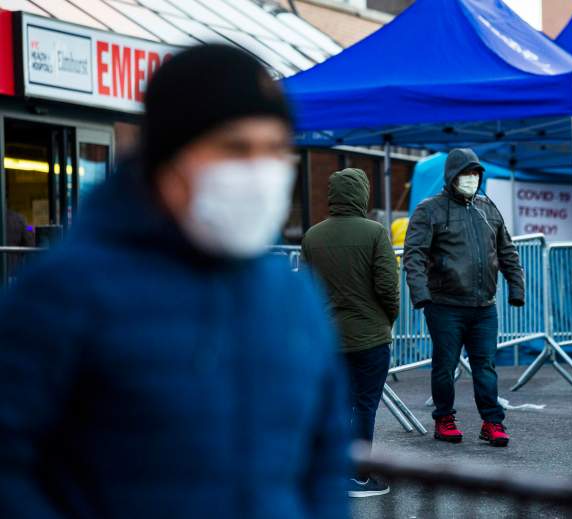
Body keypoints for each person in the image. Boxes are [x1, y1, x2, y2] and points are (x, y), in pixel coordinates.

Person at [0, 45, 349, 519]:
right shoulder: (64, 290)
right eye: (235, 148)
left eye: (275, 149)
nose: (260, 171)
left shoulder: (292, 294)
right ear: (169, 160)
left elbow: (326, 453)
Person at [403, 148, 525, 447]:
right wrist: (421, 295)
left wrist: (516, 287)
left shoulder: (487, 207)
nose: (471, 178)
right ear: (452, 176)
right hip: (444, 305)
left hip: (484, 306)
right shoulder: (429, 209)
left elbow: (507, 249)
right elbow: (414, 254)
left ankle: (492, 422)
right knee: (445, 365)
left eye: (475, 173)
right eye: (465, 173)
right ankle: (444, 418)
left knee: (486, 366)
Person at [302, 168, 399, 498]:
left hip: (329, 338)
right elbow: (388, 287)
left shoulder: (312, 236)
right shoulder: (375, 232)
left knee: (336, 405)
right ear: (362, 194)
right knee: (365, 404)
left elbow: (307, 288)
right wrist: (388, 319)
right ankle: (359, 476)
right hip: (370, 336)